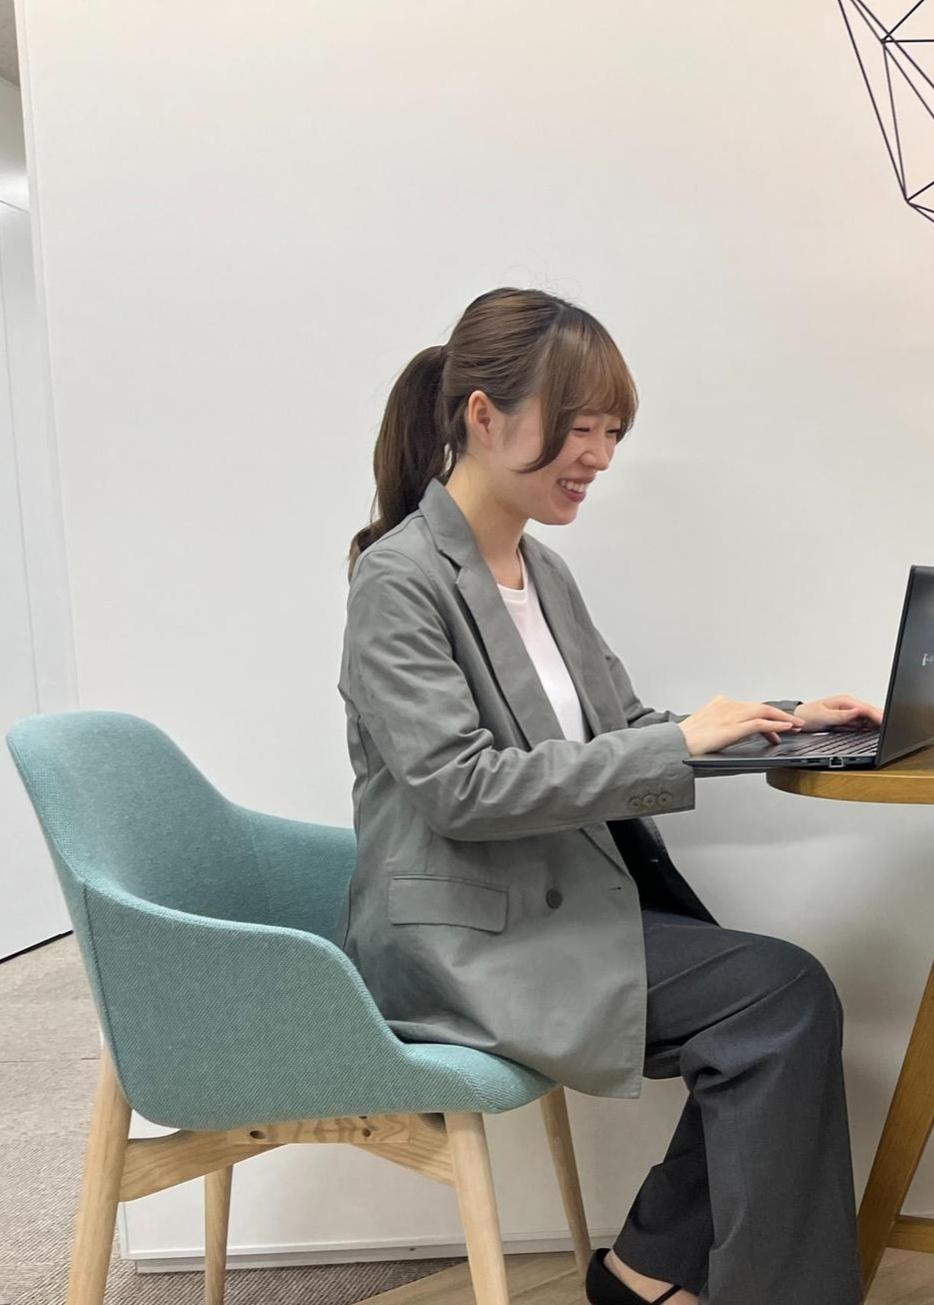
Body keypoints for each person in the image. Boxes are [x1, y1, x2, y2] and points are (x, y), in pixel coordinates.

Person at [338, 287, 874, 1305]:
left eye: (612, 431)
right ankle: (666, 1269)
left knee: (778, 1001)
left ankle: (649, 1270)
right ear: (483, 416)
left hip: (550, 910)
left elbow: (622, 730)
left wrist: (783, 717)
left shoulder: (540, 572)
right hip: (464, 942)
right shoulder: (399, 582)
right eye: (578, 427)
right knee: (778, 998)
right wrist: (676, 741)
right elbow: (459, 789)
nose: (598, 455)